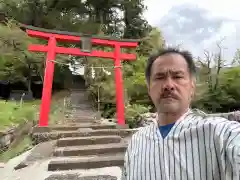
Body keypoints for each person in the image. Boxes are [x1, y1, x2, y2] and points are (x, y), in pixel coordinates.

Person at [122, 48, 240, 180]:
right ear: (149, 88)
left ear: (192, 86)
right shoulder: (136, 142)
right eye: (159, 77)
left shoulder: (219, 134)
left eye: (177, 76)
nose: (168, 85)